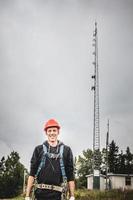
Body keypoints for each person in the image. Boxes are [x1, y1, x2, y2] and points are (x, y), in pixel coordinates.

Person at [25, 119, 75, 200]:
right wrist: (27, 195)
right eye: (49, 131)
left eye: (54, 130)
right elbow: (32, 173)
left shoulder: (67, 150)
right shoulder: (38, 149)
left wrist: (72, 196)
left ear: (58, 132)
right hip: (40, 195)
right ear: (46, 132)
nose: (52, 133)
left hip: (59, 196)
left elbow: (70, 175)